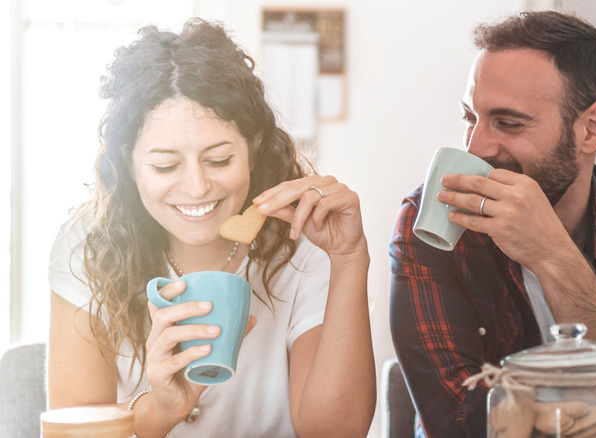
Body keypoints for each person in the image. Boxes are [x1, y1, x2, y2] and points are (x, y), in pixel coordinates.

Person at [389, 10, 596, 438]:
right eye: (471, 117)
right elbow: (459, 425)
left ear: (592, 129)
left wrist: (554, 256)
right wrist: (594, 418)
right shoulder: (433, 221)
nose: (476, 146)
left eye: (507, 123)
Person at [47, 19, 375, 437]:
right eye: (165, 165)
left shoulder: (305, 239)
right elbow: (70, 432)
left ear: (253, 148)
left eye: (219, 160)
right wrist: (161, 408)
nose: (197, 187)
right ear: (129, 164)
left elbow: (337, 432)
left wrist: (348, 258)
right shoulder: (87, 244)